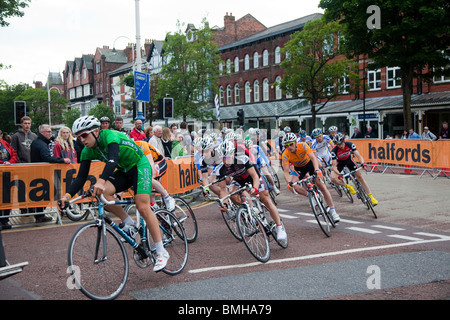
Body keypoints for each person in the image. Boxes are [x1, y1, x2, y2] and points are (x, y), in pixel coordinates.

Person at [58, 116, 169, 271]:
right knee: (102, 194)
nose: (82, 140)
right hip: (124, 170)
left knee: (142, 206)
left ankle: (161, 251)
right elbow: (81, 177)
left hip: (139, 165)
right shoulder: (87, 151)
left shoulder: (110, 136)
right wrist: (67, 196)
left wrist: (101, 181)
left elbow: (112, 160)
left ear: (96, 131)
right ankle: (129, 224)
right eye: (78, 137)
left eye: (84, 135)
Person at [214, 140, 287, 243]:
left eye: (227, 157)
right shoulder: (220, 169)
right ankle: (251, 211)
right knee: (232, 195)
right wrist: (224, 204)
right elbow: (222, 190)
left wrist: (255, 188)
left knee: (265, 198)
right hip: (239, 181)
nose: (225, 161)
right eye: (223, 158)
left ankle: (280, 227)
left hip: (253, 178)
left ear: (233, 154)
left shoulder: (243, 159)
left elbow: (255, 176)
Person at [281, 133, 340, 223]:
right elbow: (286, 171)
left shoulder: (303, 146)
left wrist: (316, 169)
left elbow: (313, 158)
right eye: (286, 145)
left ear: (295, 142)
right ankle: (310, 196)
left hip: (310, 165)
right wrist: (289, 182)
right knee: (294, 186)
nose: (289, 147)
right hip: (299, 169)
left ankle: (333, 210)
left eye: (291, 144)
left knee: (321, 185)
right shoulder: (285, 154)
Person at [31, 124, 71, 223]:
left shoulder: (39, 141)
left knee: (42, 193)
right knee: (49, 191)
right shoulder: (41, 144)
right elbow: (47, 158)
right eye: (48, 132)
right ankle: (38, 213)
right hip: (41, 172)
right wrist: (62, 160)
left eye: (50, 131)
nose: (50, 134)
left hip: (40, 171)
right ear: (42, 133)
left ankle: (39, 214)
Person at [330, 133, 378, 206]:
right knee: (333, 178)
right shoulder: (334, 150)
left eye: (341, 144)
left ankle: (371, 197)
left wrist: (362, 163)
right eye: (338, 145)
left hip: (349, 160)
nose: (340, 146)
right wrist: (339, 174)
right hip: (339, 162)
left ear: (344, 141)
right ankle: (347, 186)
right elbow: (334, 166)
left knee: (360, 176)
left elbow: (358, 155)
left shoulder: (349, 144)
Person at [134, 140, 175, 211]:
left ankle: (167, 197)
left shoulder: (141, 145)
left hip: (159, 162)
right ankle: (159, 214)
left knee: (147, 177)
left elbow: (151, 163)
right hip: (148, 165)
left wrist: (150, 178)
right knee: (151, 198)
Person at [0, 134, 18, 229]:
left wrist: (10, 162)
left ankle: (5, 220)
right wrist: (3, 163)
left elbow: (14, 154)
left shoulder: (5, 143)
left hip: (7, 174)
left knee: (7, 197)